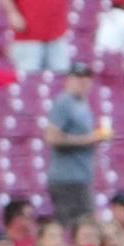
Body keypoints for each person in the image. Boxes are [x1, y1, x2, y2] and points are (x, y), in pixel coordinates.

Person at [45, 63, 108, 224]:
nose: (82, 81)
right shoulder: (64, 102)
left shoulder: (82, 103)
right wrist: (87, 139)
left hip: (80, 176)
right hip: (66, 179)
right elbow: (52, 137)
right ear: (68, 80)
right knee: (77, 228)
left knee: (86, 227)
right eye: (78, 77)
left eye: (86, 78)